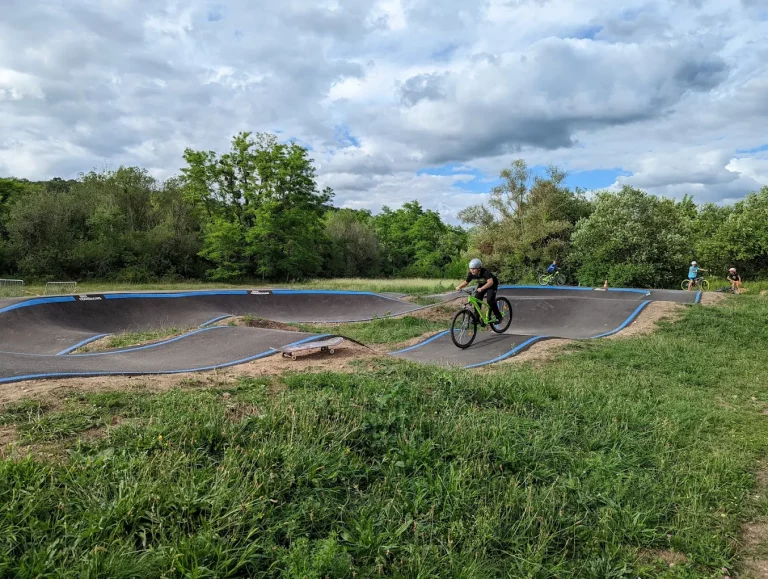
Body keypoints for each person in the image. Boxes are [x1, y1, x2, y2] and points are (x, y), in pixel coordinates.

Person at [456, 258, 503, 324]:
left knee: (490, 300)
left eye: (474, 269)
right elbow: (466, 282)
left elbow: (490, 282)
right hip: (482, 284)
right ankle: (476, 318)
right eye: (471, 268)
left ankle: (498, 316)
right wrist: (459, 287)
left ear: (479, 268)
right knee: (476, 299)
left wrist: (482, 288)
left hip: (492, 285)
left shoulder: (485, 272)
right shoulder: (471, 274)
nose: (472, 270)